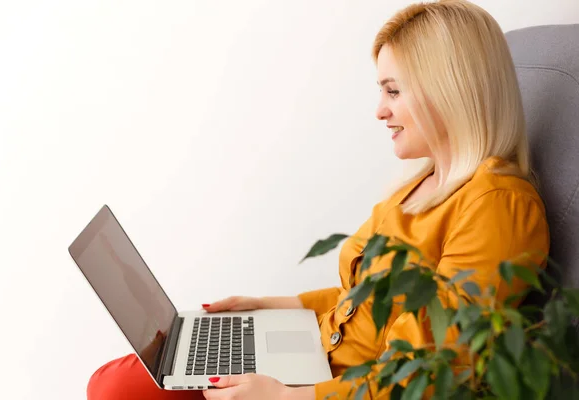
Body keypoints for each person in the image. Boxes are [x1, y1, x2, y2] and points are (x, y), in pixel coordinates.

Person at [86, 0, 550, 399]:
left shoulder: (497, 205)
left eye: (393, 91)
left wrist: (291, 397)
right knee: (121, 378)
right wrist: (269, 306)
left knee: (117, 387)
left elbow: (432, 376)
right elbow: (363, 300)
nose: (380, 110)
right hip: (318, 361)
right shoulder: (423, 182)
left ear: (449, 91)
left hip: (333, 387)